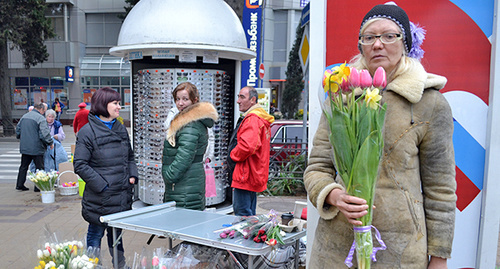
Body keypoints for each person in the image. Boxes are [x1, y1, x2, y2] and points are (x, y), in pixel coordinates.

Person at [304, 3, 456, 268]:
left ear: (405, 42)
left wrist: (439, 257)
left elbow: (440, 189)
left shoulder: (429, 103)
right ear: (361, 44)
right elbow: (317, 167)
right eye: (369, 37)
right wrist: (333, 195)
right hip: (335, 249)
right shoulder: (342, 98)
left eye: (389, 36)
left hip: (401, 250)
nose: (378, 44)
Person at [74, 87, 138, 268]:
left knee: (116, 235)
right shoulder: (88, 132)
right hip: (100, 197)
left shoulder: (120, 128)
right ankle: (93, 265)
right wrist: (103, 185)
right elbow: (80, 164)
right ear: (103, 104)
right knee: (95, 233)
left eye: (119, 103)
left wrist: (132, 175)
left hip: (121, 194)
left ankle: (120, 264)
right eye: (115, 103)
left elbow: (130, 156)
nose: (119, 107)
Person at [162, 82, 218, 210]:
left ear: (194, 100)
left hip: (184, 185)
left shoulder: (190, 124)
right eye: (177, 99)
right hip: (188, 183)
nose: (180, 103)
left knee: (181, 222)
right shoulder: (189, 120)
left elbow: (184, 157)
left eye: (185, 99)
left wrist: (168, 175)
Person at [228, 86, 274, 216]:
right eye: (238, 96)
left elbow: (247, 146)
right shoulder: (260, 118)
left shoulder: (252, 119)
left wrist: (232, 155)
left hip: (245, 175)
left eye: (242, 97)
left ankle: (245, 237)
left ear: (253, 100)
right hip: (252, 174)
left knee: (243, 216)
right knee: (249, 214)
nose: (238, 101)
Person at [15, 102, 54, 191]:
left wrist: (21, 138)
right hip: (37, 147)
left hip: (25, 147)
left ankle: (19, 185)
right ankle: (38, 187)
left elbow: (18, 129)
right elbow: (44, 133)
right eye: (44, 110)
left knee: (23, 166)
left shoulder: (24, 117)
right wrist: (50, 143)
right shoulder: (40, 118)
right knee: (39, 168)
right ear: (41, 109)